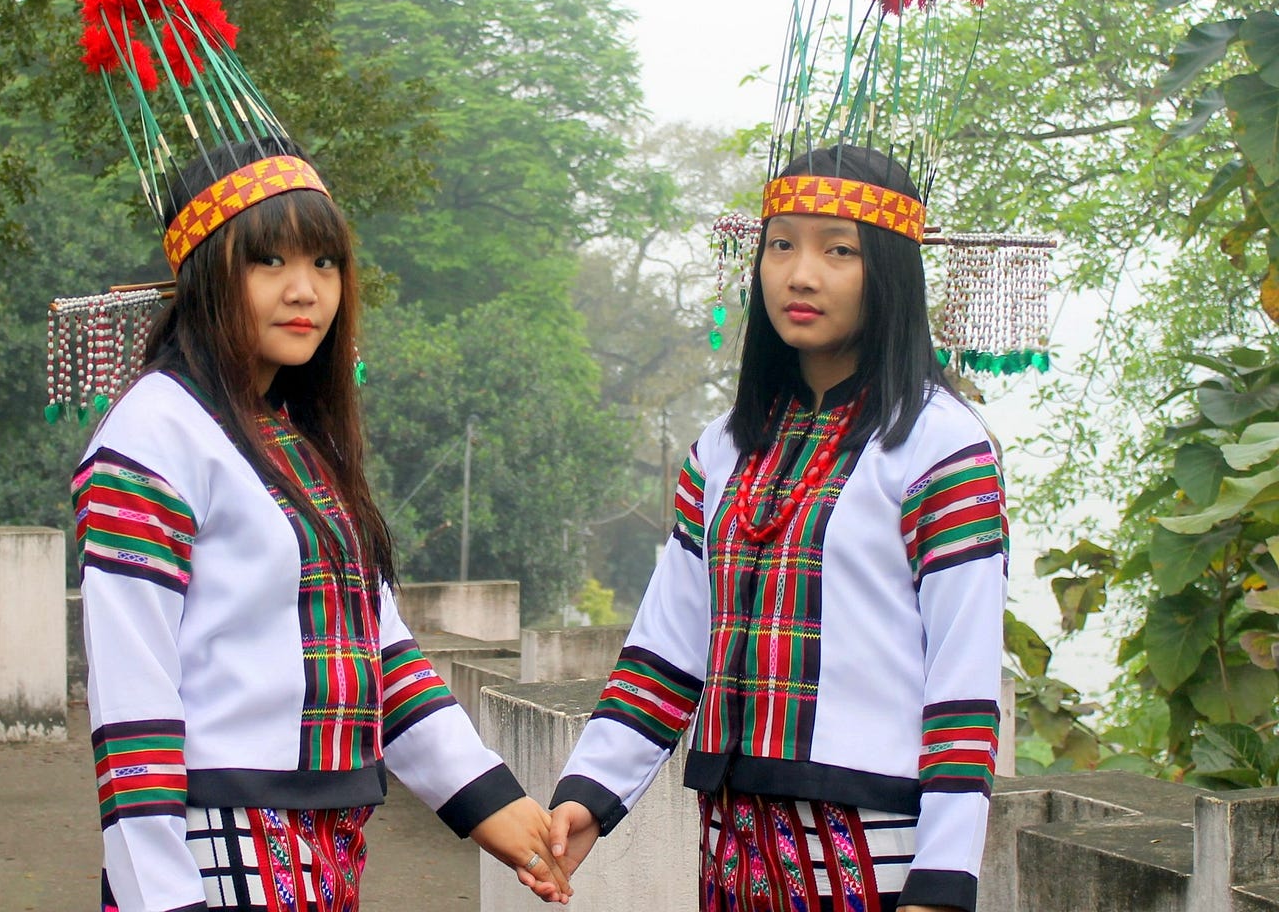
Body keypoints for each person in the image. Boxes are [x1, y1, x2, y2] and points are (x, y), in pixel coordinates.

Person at [74, 136, 571, 911]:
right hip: (219, 843)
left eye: (325, 263)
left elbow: (375, 645)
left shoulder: (301, 439)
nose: (305, 290)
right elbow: (132, 705)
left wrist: (488, 801)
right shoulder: (153, 435)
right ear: (205, 276)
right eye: (269, 261)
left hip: (325, 842)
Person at [547, 143, 1008, 912]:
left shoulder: (941, 445)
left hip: (877, 843)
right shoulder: (723, 448)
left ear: (889, 272)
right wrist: (587, 796)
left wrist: (945, 876)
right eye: (781, 244)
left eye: (839, 250)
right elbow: (666, 652)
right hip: (730, 840)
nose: (801, 274)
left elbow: (962, 688)